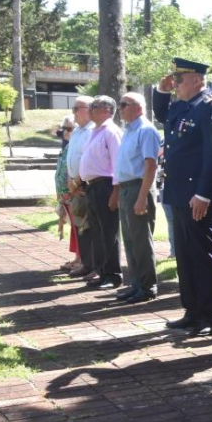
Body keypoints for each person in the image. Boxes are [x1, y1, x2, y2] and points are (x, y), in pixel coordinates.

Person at [153, 58, 212, 336]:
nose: (175, 85)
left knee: (202, 255)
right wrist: (160, 92)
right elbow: (163, 115)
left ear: (197, 80)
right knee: (185, 256)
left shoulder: (210, 107)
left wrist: (203, 193)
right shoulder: (182, 105)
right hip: (179, 192)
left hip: (198, 195)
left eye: (179, 80)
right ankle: (193, 311)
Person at [113, 92, 162, 304]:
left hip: (138, 188)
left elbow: (150, 165)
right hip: (126, 188)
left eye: (125, 104)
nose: (121, 108)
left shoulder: (146, 130)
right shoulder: (129, 131)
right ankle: (136, 284)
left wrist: (142, 197)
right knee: (130, 239)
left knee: (141, 240)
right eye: (120, 104)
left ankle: (148, 286)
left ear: (138, 108)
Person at [76, 96, 123, 290]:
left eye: (93, 107)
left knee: (109, 231)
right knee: (97, 232)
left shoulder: (111, 132)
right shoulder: (94, 131)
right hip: (92, 186)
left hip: (106, 186)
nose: (90, 110)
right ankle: (103, 271)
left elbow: (118, 164)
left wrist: (115, 192)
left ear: (106, 110)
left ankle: (113, 275)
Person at [66, 96, 96, 279]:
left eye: (77, 108)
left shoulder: (93, 131)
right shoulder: (77, 131)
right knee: (80, 227)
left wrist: (76, 183)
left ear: (89, 109)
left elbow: (89, 159)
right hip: (75, 185)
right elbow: (72, 158)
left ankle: (93, 265)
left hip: (85, 185)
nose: (73, 112)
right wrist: (70, 181)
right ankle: (85, 262)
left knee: (90, 227)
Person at [55, 116, 81, 272]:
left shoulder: (76, 146)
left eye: (69, 128)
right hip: (65, 195)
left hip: (74, 194)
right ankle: (78, 258)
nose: (65, 132)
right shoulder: (67, 146)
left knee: (79, 228)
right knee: (74, 228)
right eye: (63, 128)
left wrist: (73, 189)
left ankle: (82, 259)